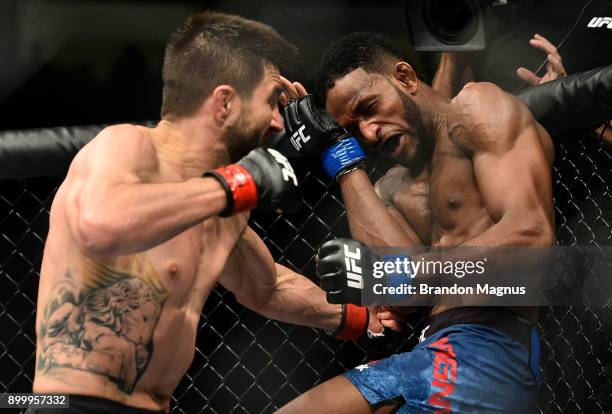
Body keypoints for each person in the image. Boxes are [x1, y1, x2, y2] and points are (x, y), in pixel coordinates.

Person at [31, 12, 401, 413]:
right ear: (224, 102)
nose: (278, 121)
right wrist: (239, 183)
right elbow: (96, 223)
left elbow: (267, 287)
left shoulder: (219, 205)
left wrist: (360, 319)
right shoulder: (127, 147)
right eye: (269, 102)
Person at [276, 31, 555, 413]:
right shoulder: (392, 188)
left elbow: (532, 235)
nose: (369, 132)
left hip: (487, 348)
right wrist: (338, 156)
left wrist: (413, 270)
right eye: (353, 128)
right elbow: (403, 294)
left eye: (370, 107)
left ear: (405, 77)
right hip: (431, 352)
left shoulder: (477, 108)